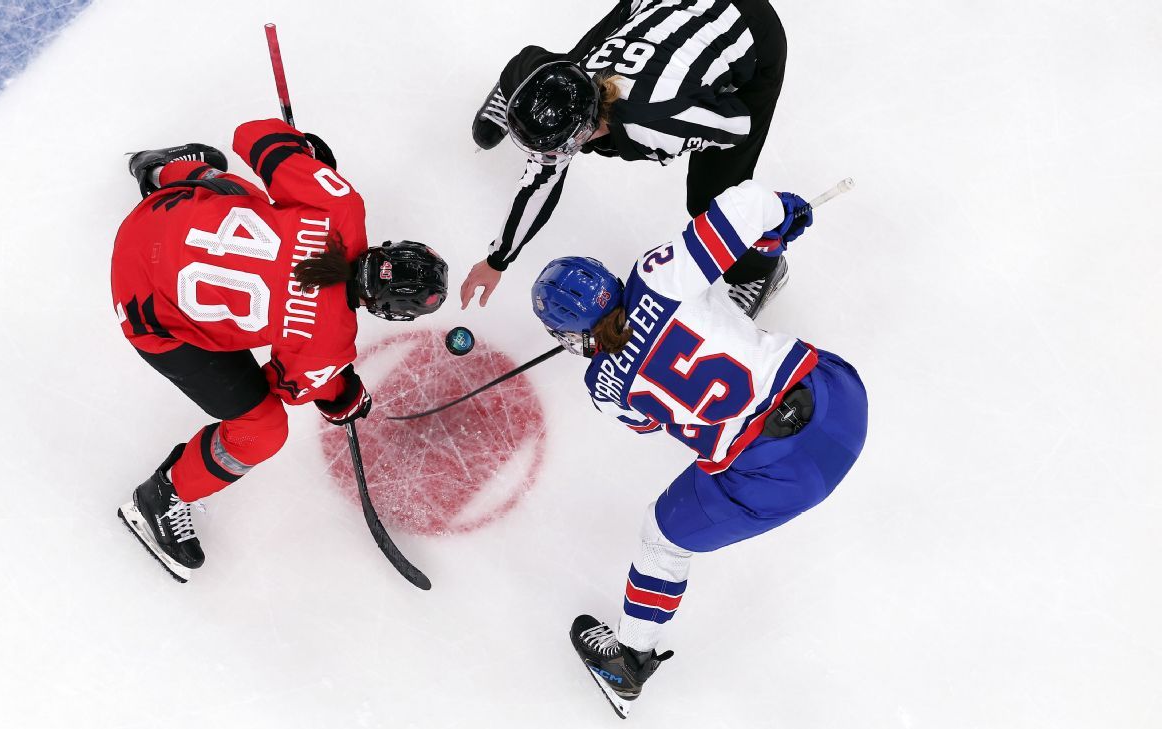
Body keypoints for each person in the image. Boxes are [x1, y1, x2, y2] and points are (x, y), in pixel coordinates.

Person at [529, 180, 867, 718]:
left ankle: (629, 663)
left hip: (782, 479)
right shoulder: (656, 276)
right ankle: (753, 279)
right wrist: (777, 223)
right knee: (736, 312)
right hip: (841, 401)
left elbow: (646, 421)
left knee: (660, 540)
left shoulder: (602, 390)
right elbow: (752, 203)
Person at [110, 119, 448, 582]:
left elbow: (252, 134)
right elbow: (286, 386)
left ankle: (163, 172)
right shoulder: (328, 342)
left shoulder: (340, 206)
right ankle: (162, 497)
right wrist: (339, 392)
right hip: (145, 309)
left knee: (245, 200)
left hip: (157, 215)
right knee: (262, 429)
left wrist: (302, 155)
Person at [464, 0, 789, 318]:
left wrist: (703, 101)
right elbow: (538, 184)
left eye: (556, 147)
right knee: (555, 70)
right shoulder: (568, 77)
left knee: (712, 197)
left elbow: (737, 127)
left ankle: (756, 271)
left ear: (586, 128)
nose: (548, 158)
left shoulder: (660, 123)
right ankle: (514, 95)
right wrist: (497, 260)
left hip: (751, 27)